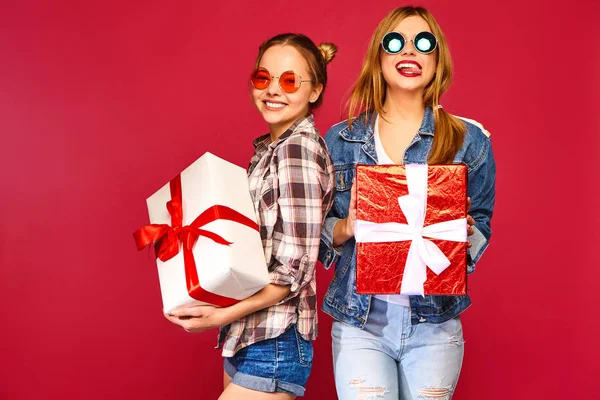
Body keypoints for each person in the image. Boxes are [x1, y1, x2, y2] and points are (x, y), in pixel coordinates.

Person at [318, 6, 495, 399]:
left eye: (423, 43)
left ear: (438, 59)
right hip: (359, 321)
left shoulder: (470, 140)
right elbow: (318, 226)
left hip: (435, 324)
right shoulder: (339, 140)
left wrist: (464, 237)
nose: (409, 52)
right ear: (379, 59)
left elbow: (481, 220)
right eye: (395, 42)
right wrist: (345, 227)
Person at [164, 33, 337, 399]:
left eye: (289, 81)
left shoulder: (297, 151)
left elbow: (295, 271)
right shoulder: (267, 152)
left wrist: (220, 316)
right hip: (248, 335)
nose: (274, 90)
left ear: (315, 91)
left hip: (274, 341)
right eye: (263, 78)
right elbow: (251, 256)